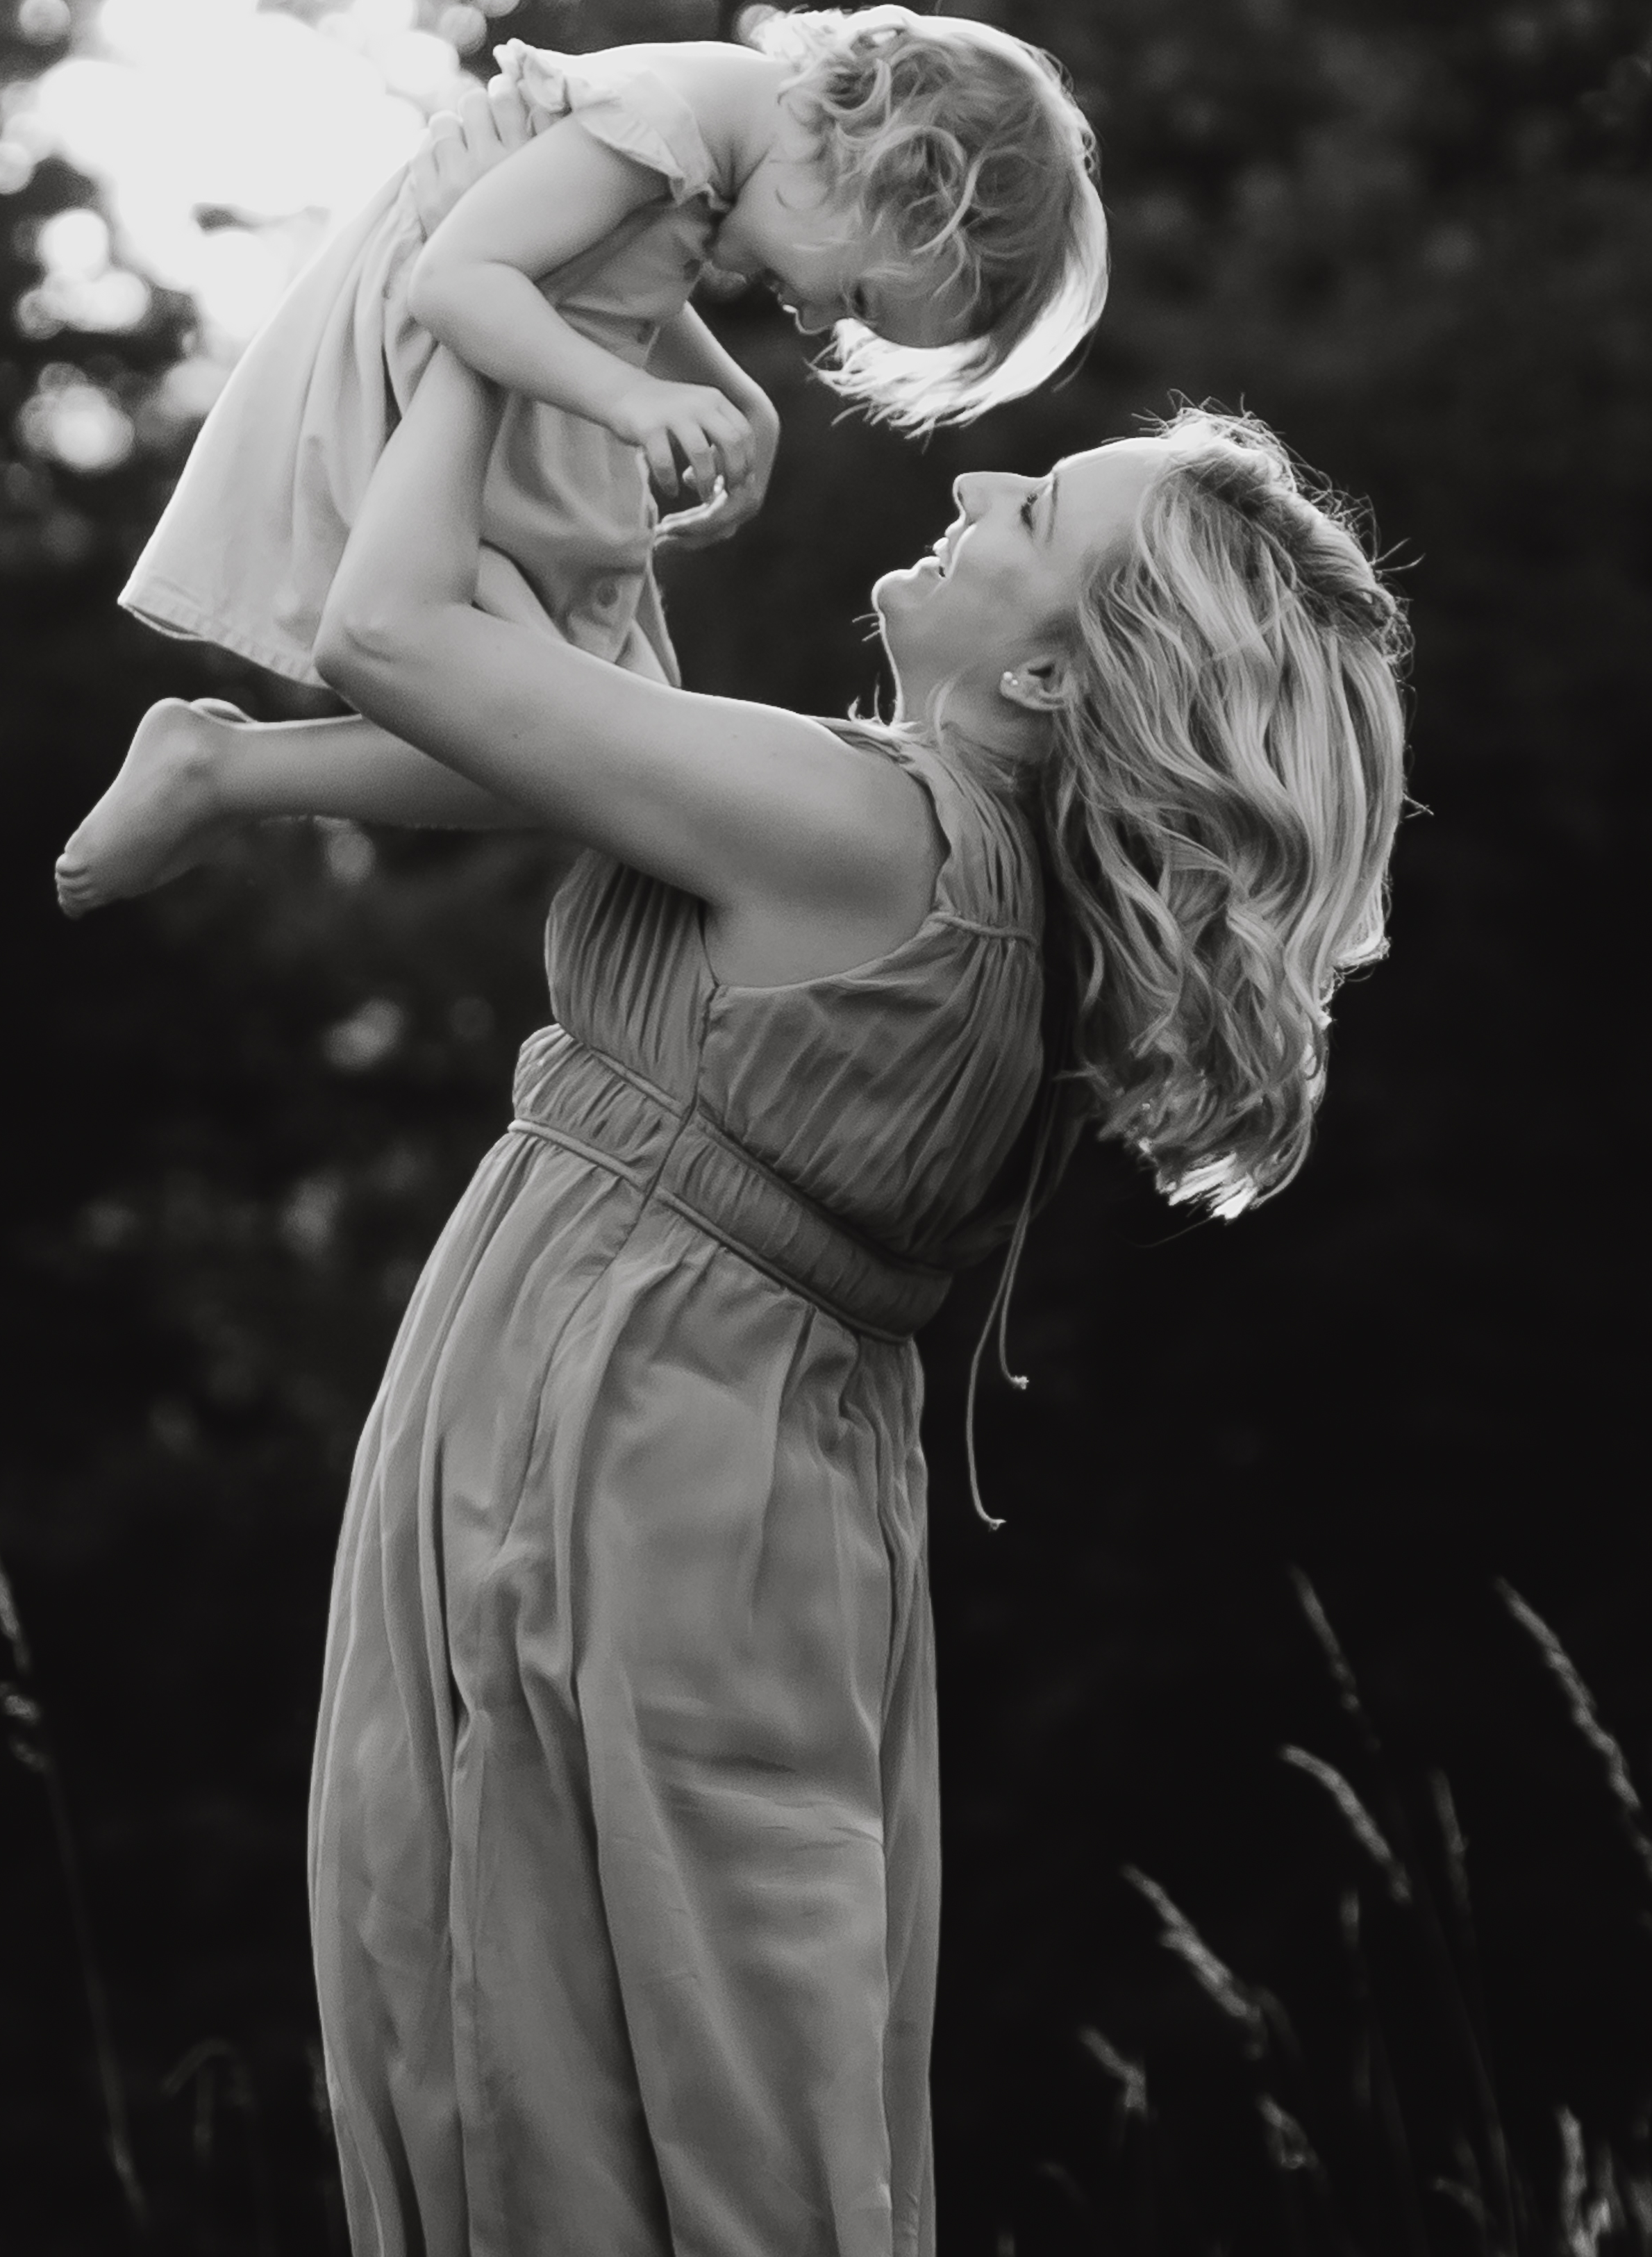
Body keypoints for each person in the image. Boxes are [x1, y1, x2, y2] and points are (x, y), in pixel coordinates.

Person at [274, 338, 1405, 2254]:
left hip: (621, 1467)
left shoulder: (870, 831)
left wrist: (473, 319)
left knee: (555, 2046)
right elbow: (535, 706)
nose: (969, 492)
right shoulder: (968, 883)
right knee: (685, 2069)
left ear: (1047, 680)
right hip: (708, 1473)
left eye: (1029, 511)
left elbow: (386, 631)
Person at [56, 7, 1105, 911]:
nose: (823, 317)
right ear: (887, 165)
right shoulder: (667, 115)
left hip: (518, 409)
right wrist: (629, 397)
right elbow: (458, 281)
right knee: (558, 736)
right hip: (436, 398)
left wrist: (739, 399)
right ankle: (221, 768)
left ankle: (227, 766)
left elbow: (621, 270)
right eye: (864, 298)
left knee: (606, 745)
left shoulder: (724, 143)